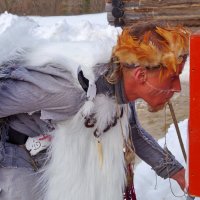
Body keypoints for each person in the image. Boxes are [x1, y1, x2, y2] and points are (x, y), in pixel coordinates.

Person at [0, 23, 190, 200]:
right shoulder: (68, 90)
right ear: (140, 75)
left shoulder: (120, 85)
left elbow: (134, 134)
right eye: (171, 78)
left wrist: (179, 174)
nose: (177, 88)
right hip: (19, 166)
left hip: (58, 164)